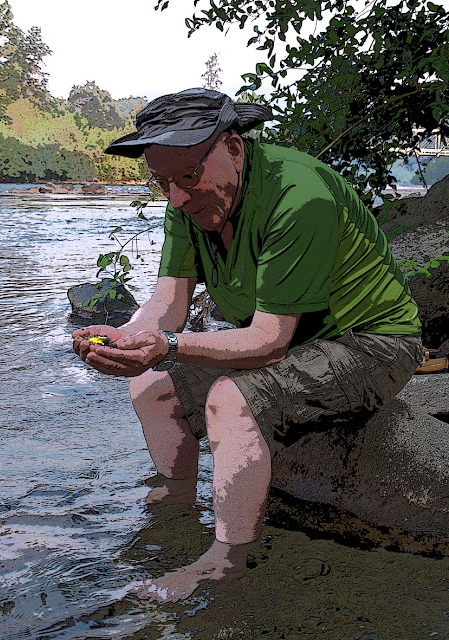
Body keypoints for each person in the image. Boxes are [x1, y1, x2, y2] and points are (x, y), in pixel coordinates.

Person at [72, 87, 423, 603]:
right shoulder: (184, 196)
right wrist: (127, 339)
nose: (177, 197)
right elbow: (167, 304)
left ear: (233, 148)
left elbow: (269, 342)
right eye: (162, 183)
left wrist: (167, 343)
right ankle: (176, 497)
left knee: (230, 400)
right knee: (151, 384)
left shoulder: (301, 196)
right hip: (294, 337)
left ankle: (226, 561)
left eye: (189, 177)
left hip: (372, 343)